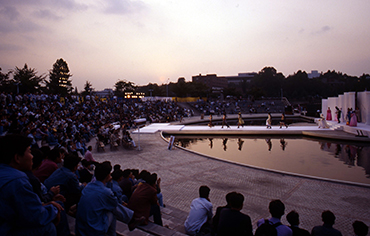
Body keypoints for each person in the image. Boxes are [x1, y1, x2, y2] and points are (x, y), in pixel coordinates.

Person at [0, 134, 63, 236]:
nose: (32, 156)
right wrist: (53, 210)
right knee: (49, 228)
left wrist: (44, 206)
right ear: (17, 158)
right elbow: (36, 216)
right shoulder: (17, 180)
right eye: (29, 152)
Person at [75, 161, 141, 236]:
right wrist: (110, 183)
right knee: (112, 210)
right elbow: (114, 203)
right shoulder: (105, 192)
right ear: (107, 176)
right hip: (94, 230)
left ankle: (131, 220)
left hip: (81, 227)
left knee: (109, 206)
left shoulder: (88, 187)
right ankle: (129, 221)